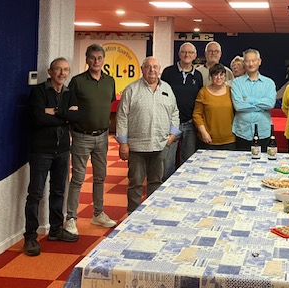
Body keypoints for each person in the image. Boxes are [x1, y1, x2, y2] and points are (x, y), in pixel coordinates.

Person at [24, 58, 81, 256]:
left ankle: (56, 230)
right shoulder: (39, 91)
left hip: (63, 150)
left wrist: (54, 112)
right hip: (42, 151)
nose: (62, 73)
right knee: (35, 194)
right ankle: (30, 236)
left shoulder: (69, 92)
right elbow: (38, 118)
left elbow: (77, 117)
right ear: (50, 71)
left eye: (66, 70)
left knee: (58, 191)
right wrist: (64, 117)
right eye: (58, 69)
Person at [116, 57, 180, 213]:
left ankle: (152, 214)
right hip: (137, 147)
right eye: (148, 67)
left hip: (160, 145)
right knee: (135, 183)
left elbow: (175, 113)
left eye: (155, 67)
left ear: (159, 70)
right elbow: (122, 116)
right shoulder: (131, 89)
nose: (152, 70)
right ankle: (133, 215)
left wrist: (172, 135)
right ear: (142, 69)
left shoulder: (167, 88)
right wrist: (123, 143)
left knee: (156, 182)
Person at [66, 44, 117, 236]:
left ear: (104, 60)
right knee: (78, 178)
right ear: (87, 59)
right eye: (93, 58)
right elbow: (70, 107)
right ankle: (71, 218)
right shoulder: (77, 82)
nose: (96, 61)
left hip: (103, 137)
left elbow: (108, 103)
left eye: (99, 58)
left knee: (100, 177)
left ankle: (98, 214)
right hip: (81, 136)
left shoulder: (109, 81)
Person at [160, 42, 203, 179]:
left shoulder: (198, 75)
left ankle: (184, 185)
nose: (187, 55)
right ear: (179, 54)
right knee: (167, 161)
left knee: (188, 161)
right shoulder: (168, 72)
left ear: (195, 56)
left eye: (190, 52)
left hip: (190, 123)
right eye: (184, 52)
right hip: (171, 124)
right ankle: (165, 186)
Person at [231, 48, 276, 151]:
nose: (251, 64)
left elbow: (270, 104)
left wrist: (248, 99)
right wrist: (261, 107)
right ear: (244, 63)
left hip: (263, 132)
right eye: (247, 61)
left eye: (253, 60)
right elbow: (238, 106)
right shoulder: (237, 83)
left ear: (259, 61)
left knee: (263, 160)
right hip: (242, 132)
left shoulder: (269, 83)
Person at [193, 63, 236, 150]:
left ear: (225, 76)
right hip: (209, 139)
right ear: (211, 76)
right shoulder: (203, 92)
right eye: (215, 75)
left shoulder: (231, 91)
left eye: (221, 74)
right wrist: (203, 133)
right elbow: (196, 115)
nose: (219, 77)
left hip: (229, 139)